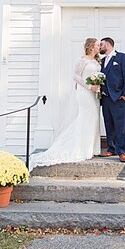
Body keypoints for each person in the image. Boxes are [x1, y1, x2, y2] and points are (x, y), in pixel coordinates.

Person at [30, 37, 102, 168]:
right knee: (86, 117)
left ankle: (92, 149)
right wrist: (89, 86)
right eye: (97, 45)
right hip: (84, 92)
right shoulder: (82, 60)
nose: (99, 47)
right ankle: (82, 149)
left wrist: (97, 85)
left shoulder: (97, 60)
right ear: (91, 47)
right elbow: (76, 76)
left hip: (94, 93)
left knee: (94, 118)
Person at [97, 36, 125, 162]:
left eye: (101, 45)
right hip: (105, 98)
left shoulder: (122, 57)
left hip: (118, 98)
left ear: (107, 44)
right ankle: (111, 149)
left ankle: (122, 152)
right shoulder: (101, 61)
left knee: (120, 126)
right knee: (109, 125)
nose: (99, 47)